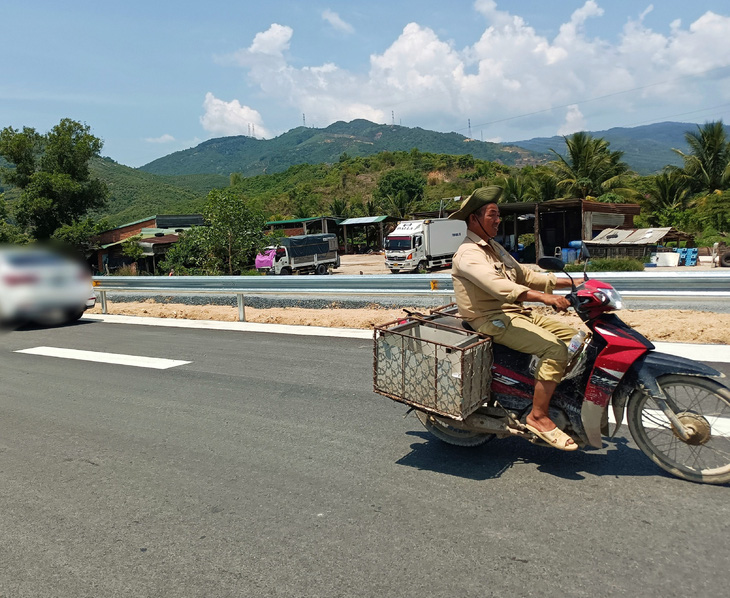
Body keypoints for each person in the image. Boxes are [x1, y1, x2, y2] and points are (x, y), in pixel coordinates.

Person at [448, 186, 579, 451]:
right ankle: (538, 416)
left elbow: (525, 276)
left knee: (579, 337)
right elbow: (499, 287)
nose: (498, 220)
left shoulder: (493, 247)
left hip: (514, 313)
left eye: (498, 215)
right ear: (474, 219)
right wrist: (545, 298)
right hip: (490, 318)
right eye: (492, 215)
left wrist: (572, 282)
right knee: (554, 349)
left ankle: (549, 389)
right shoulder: (468, 254)